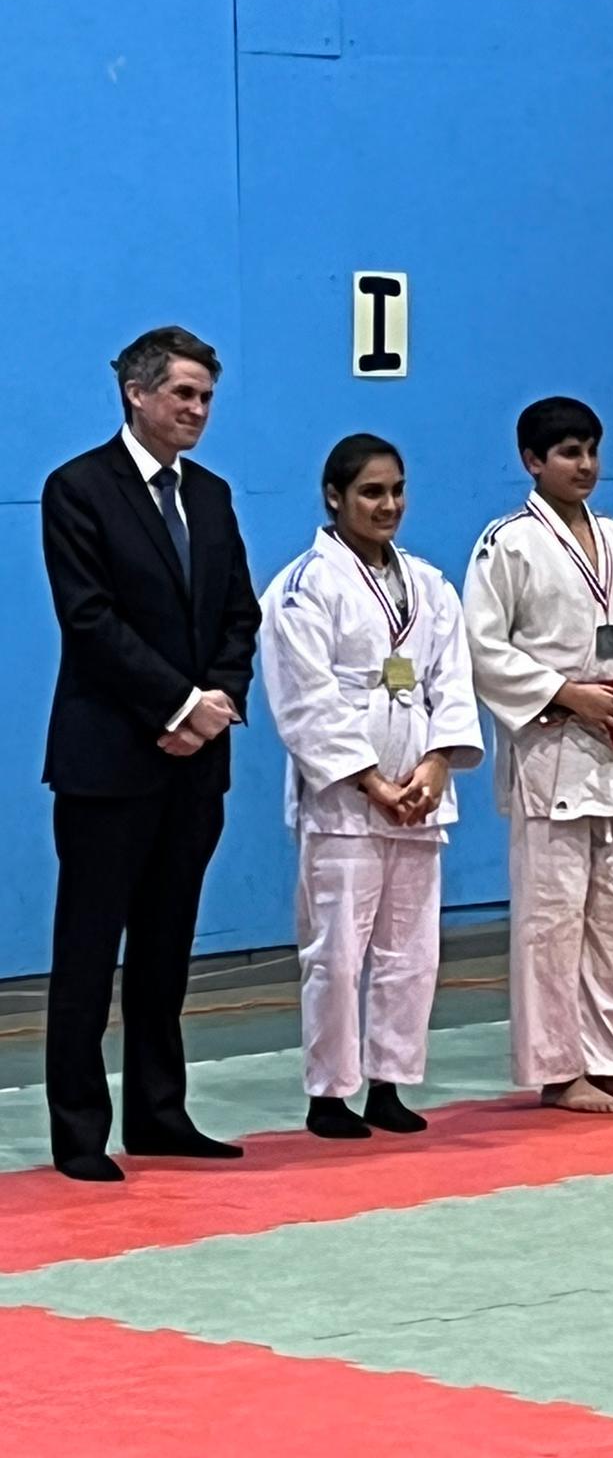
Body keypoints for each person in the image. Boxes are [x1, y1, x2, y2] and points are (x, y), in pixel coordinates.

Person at [41, 326, 260, 1181]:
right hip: (110, 756)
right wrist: (174, 703)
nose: (199, 412)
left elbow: (239, 613)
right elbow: (89, 620)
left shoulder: (209, 495)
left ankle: (160, 1115)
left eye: (206, 398)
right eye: (184, 395)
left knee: (167, 947)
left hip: (195, 759)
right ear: (137, 394)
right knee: (90, 950)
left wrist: (216, 703)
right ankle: (78, 1131)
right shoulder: (78, 489)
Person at [260, 435, 483, 1139]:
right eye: (371, 493)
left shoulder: (429, 583)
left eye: (396, 490)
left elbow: (452, 681)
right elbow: (304, 700)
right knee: (335, 951)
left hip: (418, 790)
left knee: (411, 951)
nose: (388, 505)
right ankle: (329, 1093)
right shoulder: (303, 587)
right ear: (334, 497)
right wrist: (367, 780)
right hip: (343, 804)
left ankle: (389, 1083)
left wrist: (438, 763)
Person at [463, 397, 613, 1115]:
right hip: (551, 746)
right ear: (532, 461)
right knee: (553, 923)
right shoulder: (508, 543)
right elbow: (484, 648)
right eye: (567, 453)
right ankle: (558, 1070)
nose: (584, 465)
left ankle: (610, 1058)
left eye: (591, 450)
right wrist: (564, 693)